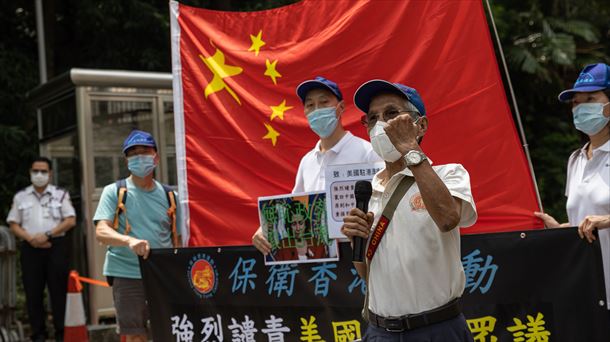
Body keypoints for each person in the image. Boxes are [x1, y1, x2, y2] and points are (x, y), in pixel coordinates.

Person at [341, 80, 477, 340]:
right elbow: (368, 274)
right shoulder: (370, 190)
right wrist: (356, 241)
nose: (382, 124)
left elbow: (448, 219)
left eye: (392, 114)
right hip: (380, 332)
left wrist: (411, 149)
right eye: (373, 118)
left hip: (436, 330)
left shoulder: (448, 174)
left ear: (420, 125)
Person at [252, 76, 382, 254]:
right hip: (321, 259)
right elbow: (295, 208)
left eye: (324, 102)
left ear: (341, 107)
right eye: (310, 105)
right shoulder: (307, 161)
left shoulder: (367, 152)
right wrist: (267, 230)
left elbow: (384, 204)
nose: (317, 110)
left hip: (360, 252)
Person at [534, 63, 610, 317]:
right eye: (576, 103)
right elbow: (585, 219)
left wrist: (607, 220)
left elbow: (600, 219)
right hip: (588, 292)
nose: (581, 108)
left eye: (591, 99)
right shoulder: (575, 159)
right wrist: (560, 230)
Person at [94, 130, 182, 342]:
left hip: (162, 274)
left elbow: (178, 237)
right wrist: (129, 241)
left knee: (169, 330)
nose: (139, 157)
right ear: (126, 161)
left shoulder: (171, 195)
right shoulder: (114, 191)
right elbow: (101, 231)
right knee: (135, 334)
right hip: (126, 273)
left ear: (156, 157)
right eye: (133, 154)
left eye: (145, 152)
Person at [6, 157, 76, 342]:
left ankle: (61, 333)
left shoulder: (60, 194)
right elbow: (13, 223)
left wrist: (48, 235)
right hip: (30, 250)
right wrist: (31, 239)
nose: (39, 175)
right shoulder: (21, 196)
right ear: (30, 172)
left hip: (55, 247)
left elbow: (70, 220)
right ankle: (38, 334)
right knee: (33, 292)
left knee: (58, 291)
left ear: (50, 173)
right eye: (36, 171)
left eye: (43, 171)